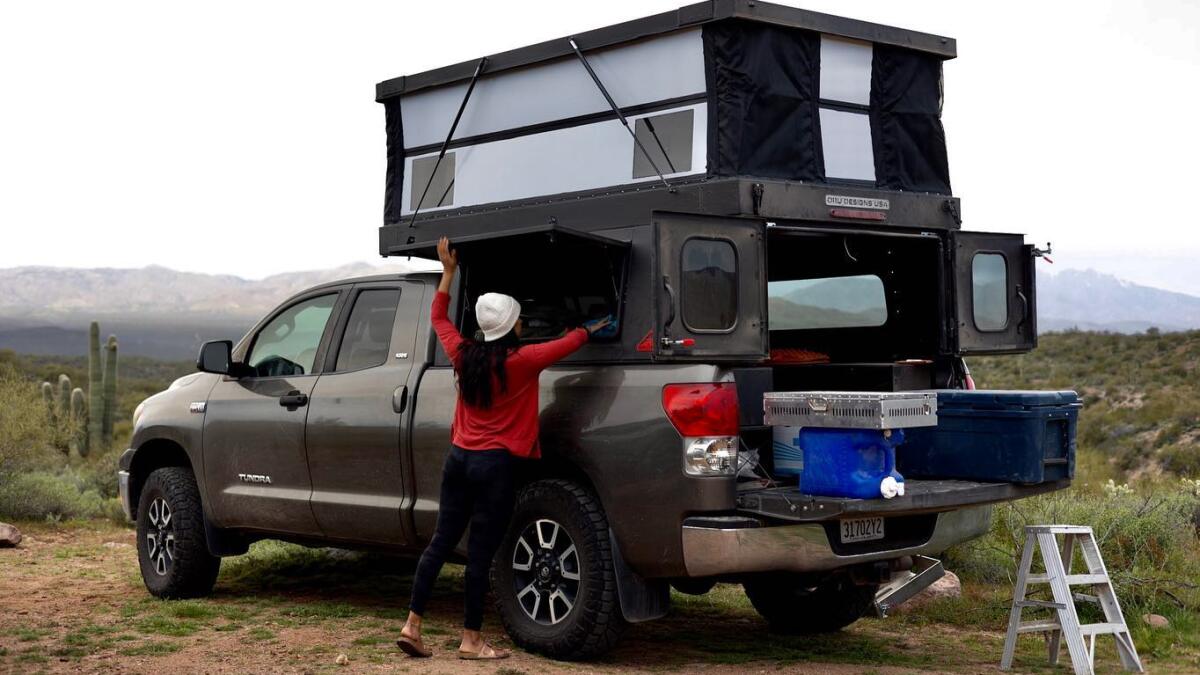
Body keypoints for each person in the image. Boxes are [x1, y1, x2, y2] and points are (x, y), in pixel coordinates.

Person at [397, 237, 612, 660]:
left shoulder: (463, 354)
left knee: (440, 543)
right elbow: (569, 341)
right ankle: (471, 639)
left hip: (457, 460)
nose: (522, 324)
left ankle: (412, 625)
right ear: (511, 324)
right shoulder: (523, 361)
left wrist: (448, 272)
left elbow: (439, 316)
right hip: (494, 467)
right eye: (518, 319)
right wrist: (594, 325)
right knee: (480, 552)